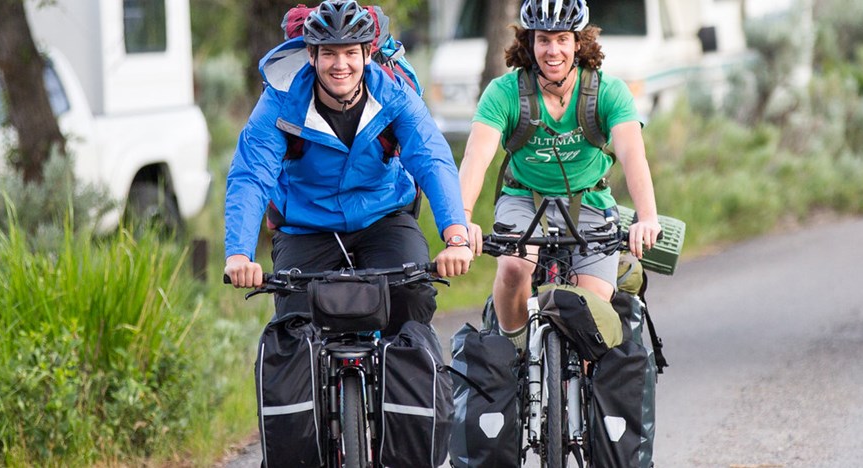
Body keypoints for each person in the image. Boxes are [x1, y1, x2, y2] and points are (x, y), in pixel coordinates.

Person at [223, 0, 473, 334]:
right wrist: (239, 253)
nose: (340, 64)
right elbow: (252, 175)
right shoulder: (281, 102)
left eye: (350, 53)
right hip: (306, 225)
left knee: (411, 303)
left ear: (368, 54)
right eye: (329, 53)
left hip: (382, 217)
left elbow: (432, 159)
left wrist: (456, 235)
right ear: (311, 56)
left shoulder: (394, 95)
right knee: (294, 327)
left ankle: (407, 383)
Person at [456, 0, 662, 344]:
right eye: (544, 40)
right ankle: (514, 348)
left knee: (589, 313)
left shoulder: (608, 91)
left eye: (562, 39)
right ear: (529, 42)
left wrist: (647, 217)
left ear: (579, 42)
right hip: (523, 199)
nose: (553, 51)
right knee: (513, 268)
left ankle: (581, 386)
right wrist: (461, 218)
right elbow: (476, 157)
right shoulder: (504, 93)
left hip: (590, 202)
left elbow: (633, 155)